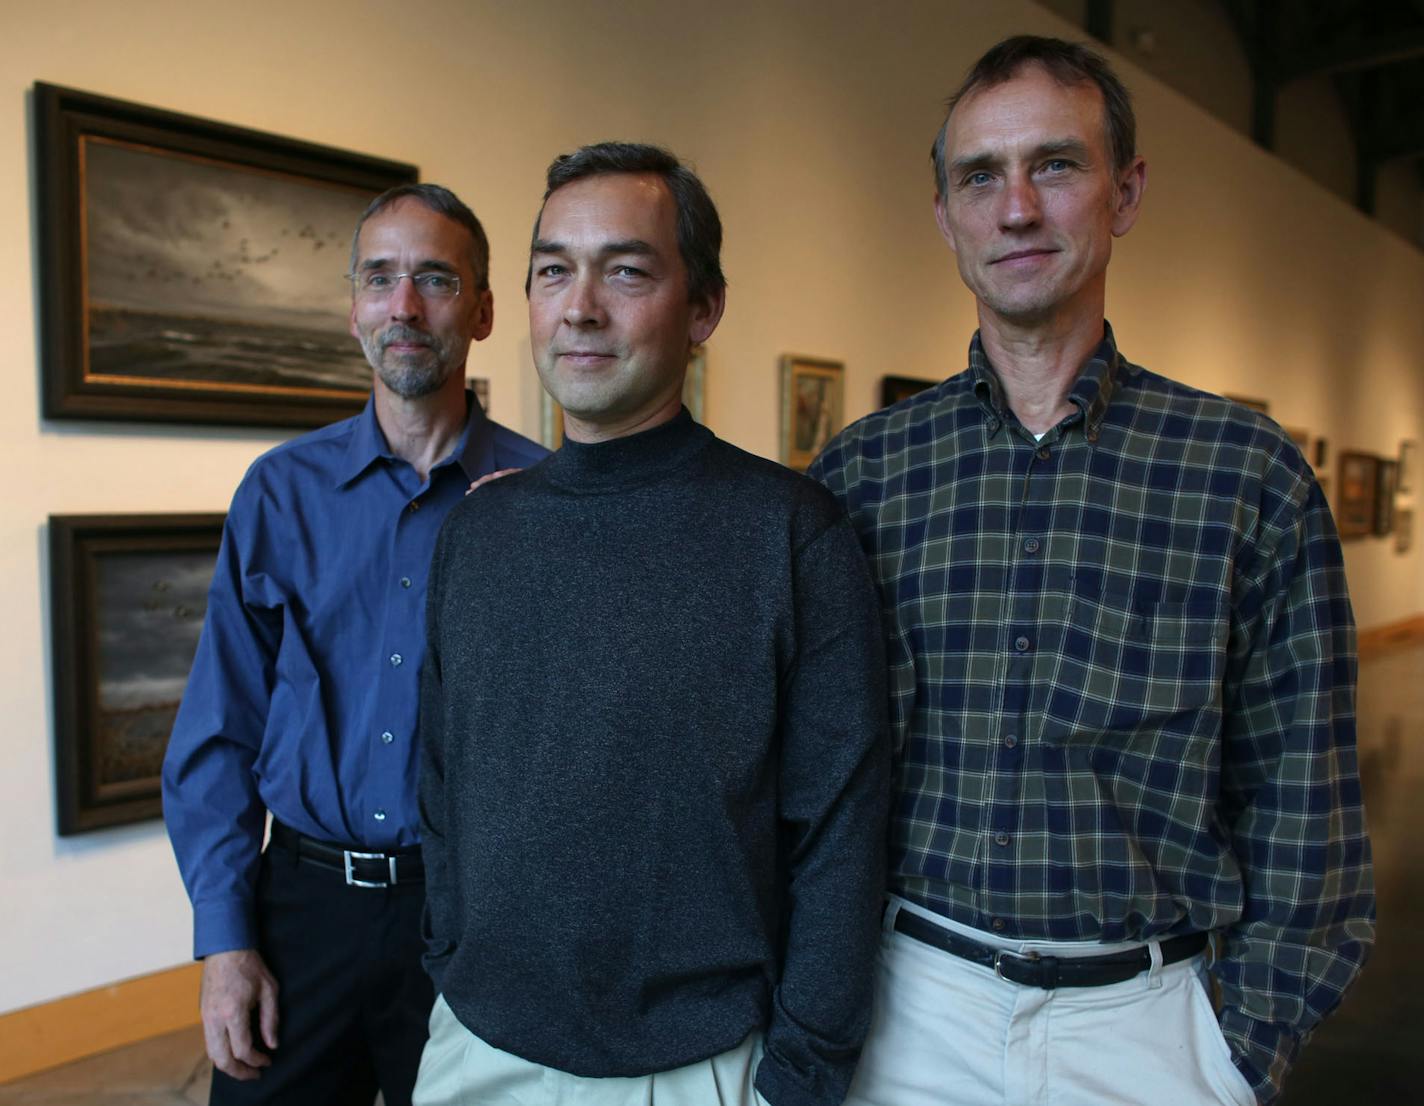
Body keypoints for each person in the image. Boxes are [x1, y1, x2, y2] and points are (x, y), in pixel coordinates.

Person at [809, 35, 1374, 1106]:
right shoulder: (861, 472)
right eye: (979, 176)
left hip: (1150, 1033)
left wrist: (1231, 1053)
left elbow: (1308, 814)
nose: (1014, 207)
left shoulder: (1243, 476)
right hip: (902, 1015)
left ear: (1124, 191)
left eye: (1054, 165)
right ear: (944, 216)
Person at [413, 142, 890, 1106]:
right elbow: (442, 784)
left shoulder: (790, 534)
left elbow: (841, 841)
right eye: (554, 270)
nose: (580, 306)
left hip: (697, 1069)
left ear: (703, 308)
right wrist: (450, 953)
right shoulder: (478, 531)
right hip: (478, 1053)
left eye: (626, 270)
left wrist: (800, 1081)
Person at [162, 182, 546, 1105]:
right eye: (380, 278)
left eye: (435, 279)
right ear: (353, 309)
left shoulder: (543, 501)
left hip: (469, 912)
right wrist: (225, 940)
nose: (404, 305)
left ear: (485, 310)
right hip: (300, 911)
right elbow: (219, 731)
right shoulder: (279, 494)